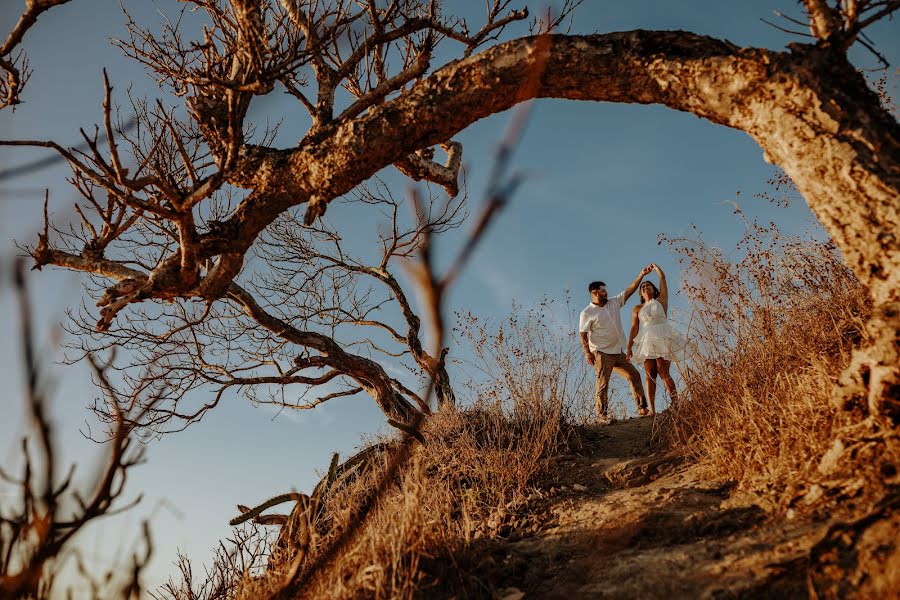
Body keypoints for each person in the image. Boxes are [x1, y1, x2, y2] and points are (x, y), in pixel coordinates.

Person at [579, 266, 653, 423]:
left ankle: (642, 409)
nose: (606, 293)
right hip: (601, 352)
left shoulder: (613, 303)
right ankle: (602, 416)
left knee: (634, 375)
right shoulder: (587, 313)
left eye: (605, 290)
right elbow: (583, 334)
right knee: (603, 382)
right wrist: (588, 353)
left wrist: (641, 274)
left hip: (617, 351)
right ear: (594, 293)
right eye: (603, 291)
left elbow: (630, 289)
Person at [626, 264, 685, 415]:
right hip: (646, 340)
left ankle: (675, 404)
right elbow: (634, 328)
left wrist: (655, 268)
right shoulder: (637, 308)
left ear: (654, 290)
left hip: (663, 336)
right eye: (643, 286)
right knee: (650, 373)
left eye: (648, 286)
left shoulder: (661, 300)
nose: (645, 287)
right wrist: (628, 348)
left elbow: (662, 278)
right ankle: (652, 410)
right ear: (640, 292)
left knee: (663, 370)